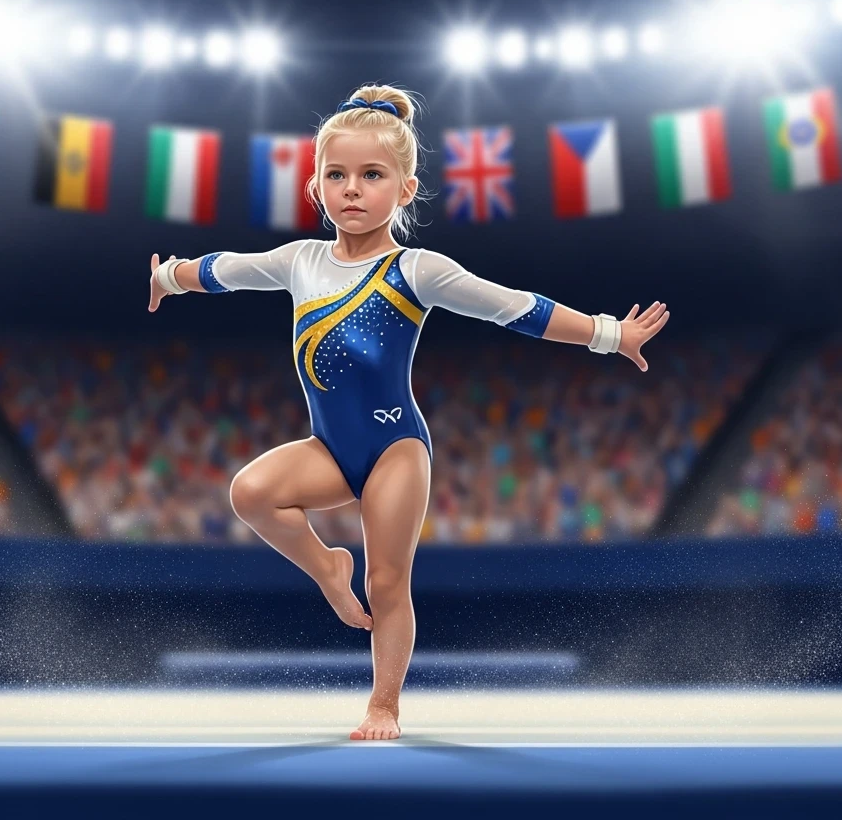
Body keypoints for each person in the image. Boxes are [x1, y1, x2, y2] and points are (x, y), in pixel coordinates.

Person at [147, 84, 669, 740]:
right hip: (330, 449)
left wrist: (609, 334)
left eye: (372, 175)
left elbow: (514, 307)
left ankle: (383, 705)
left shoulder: (416, 270)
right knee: (250, 492)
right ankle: (327, 568)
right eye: (336, 175)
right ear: (315, 186)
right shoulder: (300, 261)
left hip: (395, 449)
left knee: (388, 580)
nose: (352, 189)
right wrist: (170, 277)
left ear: (405, 188)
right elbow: (225, 270)